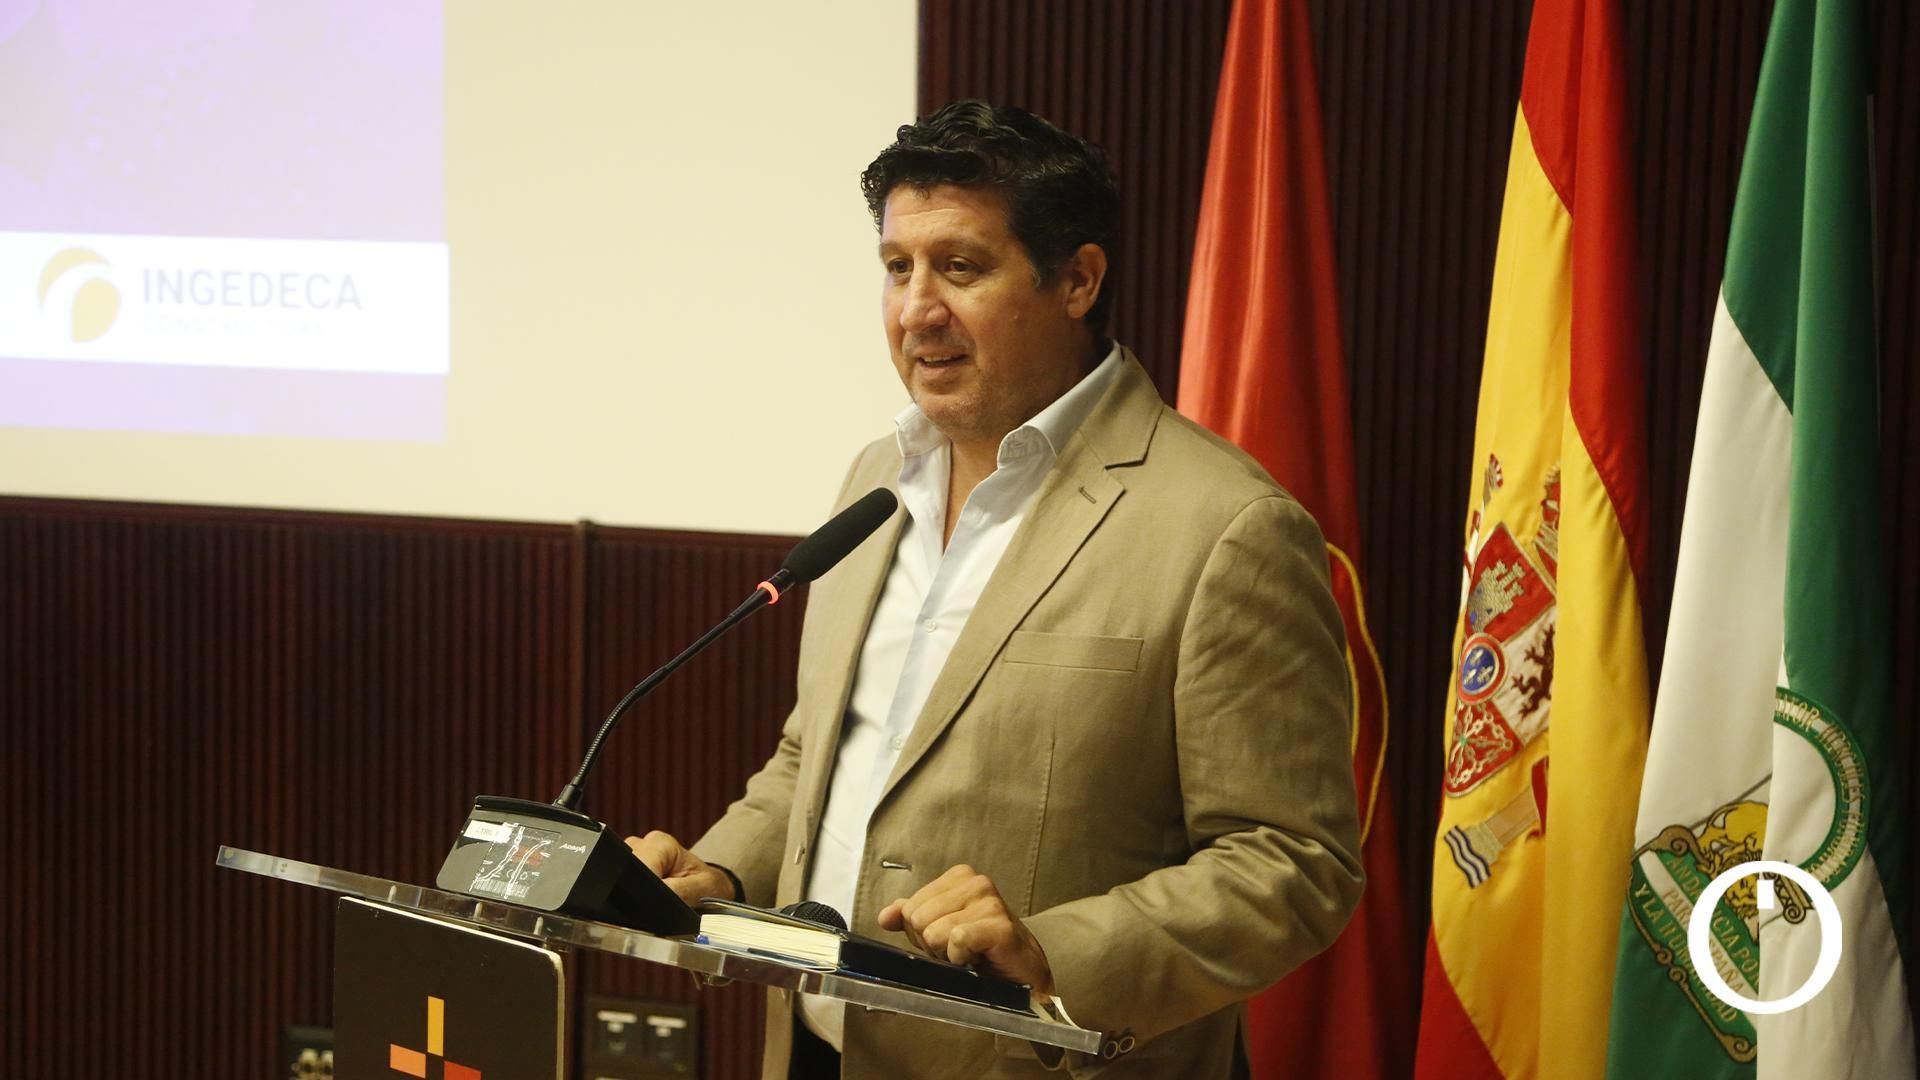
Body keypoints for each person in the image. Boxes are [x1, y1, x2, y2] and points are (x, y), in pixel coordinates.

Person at [626, 100, 1363, 1079]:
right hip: (816, 1048)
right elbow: (826, 751)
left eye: (961, 268)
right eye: (897, 269)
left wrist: (1055, 951)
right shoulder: (875, 478)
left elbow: (1294, 866)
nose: (916, 309)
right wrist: (721, 870)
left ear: (1077, 280)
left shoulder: (1224, 526)